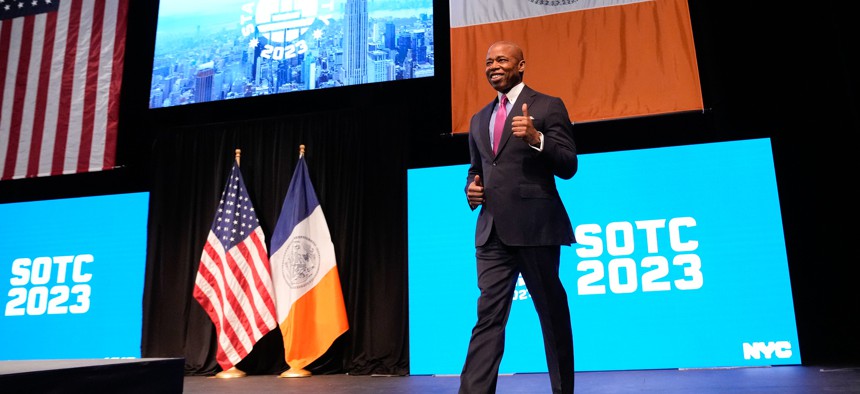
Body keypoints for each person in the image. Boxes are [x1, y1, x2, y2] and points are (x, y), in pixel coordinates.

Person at [460, 41, 578, 394]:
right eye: (488, 62)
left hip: (535, 228)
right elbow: (476, 169)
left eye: (501, 60)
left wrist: (537, 138)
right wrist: (471, 190)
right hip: (491, 232)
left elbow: (569, 165)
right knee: (488, 319)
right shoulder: (479, 118)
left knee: (551, 315)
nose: (493, 66)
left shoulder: (547, 105)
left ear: (521, 65)